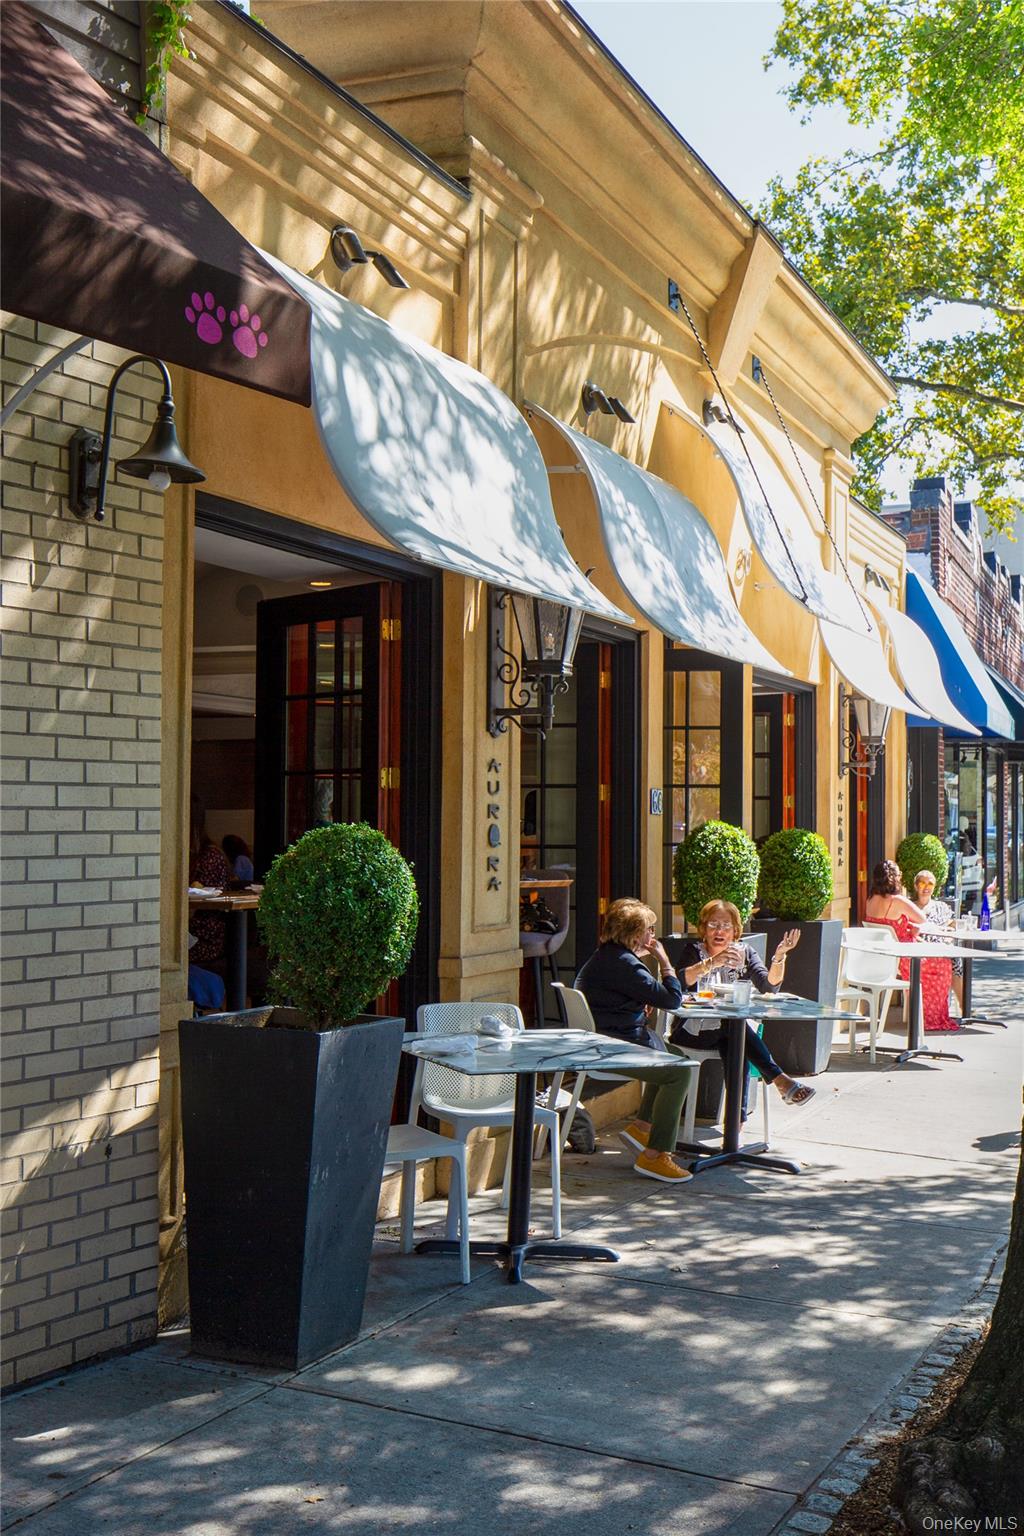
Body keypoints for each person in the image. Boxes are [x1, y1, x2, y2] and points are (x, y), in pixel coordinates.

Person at [575, 899, 698, 1185]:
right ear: (634, 935)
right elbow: (672, 999)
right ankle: (655, 1156)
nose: (653, 937)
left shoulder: (607, 956)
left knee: (675, 1054)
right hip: (614, 1047)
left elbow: (620, 994)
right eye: (649, 931)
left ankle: (643, 1127)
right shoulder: (626, 964)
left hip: (603, 1041)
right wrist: (665, 962)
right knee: (679, 1071)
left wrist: (637, 1000)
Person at [670, 900, 816, 1109]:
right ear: (704, 928)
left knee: (735, 1043)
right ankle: (780, 1080)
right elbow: (680, 981)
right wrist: (712, 962)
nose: (719, 931)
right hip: (693, 1030)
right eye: (713, 924)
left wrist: (780, 957)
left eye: (726, 925)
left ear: (735, 930)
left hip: (730, 1032)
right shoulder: (693, 951)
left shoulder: (744, 952)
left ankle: (736, 1126)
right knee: (736, 1032)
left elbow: (768, 987)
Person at [864, 859, 958, 1032]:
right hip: (905, 955)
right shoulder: (897, 900)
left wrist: (906, 926)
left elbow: (890, 926)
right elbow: (924, 920)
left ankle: (922, 1013)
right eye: (899, 875)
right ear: (894, 878)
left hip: (884, 957)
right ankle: (930, 1018)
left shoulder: (870, 901)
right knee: (943, 964)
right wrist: (914, 928)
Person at [910, 868, 963, 1013]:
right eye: (922, 883)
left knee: (954, 958)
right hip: (920, 950)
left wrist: (950, 931)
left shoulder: (941, 907)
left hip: (941, 948)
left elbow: (951, 925)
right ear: (916, 886)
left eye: (930, 884)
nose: (926, 887)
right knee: (951, 958)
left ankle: (963, 1005)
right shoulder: (910, 906)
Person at [188, 794, 231, 970]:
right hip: (189, 932)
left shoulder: (210, 856)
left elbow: (197, 905)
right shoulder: (193, 856)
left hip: (203, 939)